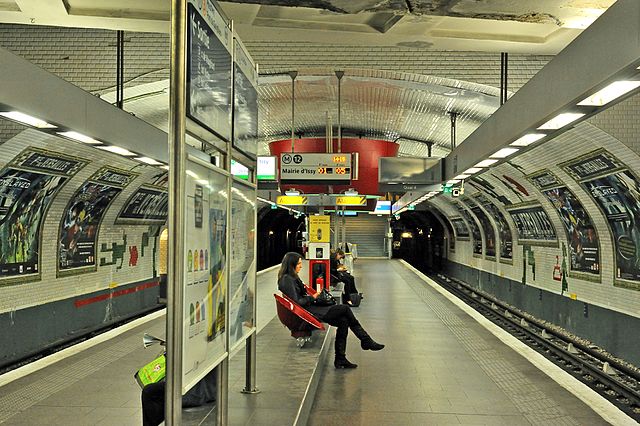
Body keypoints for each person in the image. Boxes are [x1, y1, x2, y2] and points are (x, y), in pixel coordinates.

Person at [278, 252, 384, 369]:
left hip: (310, 308)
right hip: (308, 312)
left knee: (343, 321)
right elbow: (298, 302)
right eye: (298, 264)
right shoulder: (286, 280)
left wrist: (312, 297)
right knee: (344, 308)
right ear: (291, 265)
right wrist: (312, 297)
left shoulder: (291, 278)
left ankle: (340, 359)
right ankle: (365, 340)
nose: (301, 266)